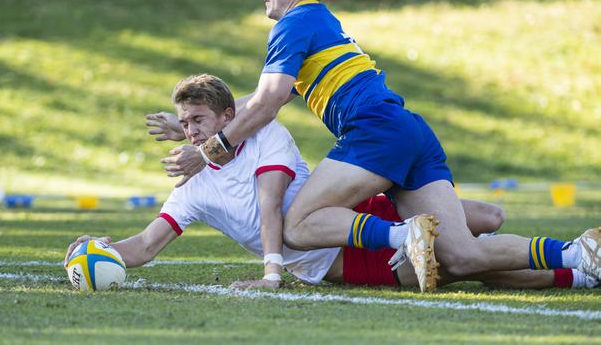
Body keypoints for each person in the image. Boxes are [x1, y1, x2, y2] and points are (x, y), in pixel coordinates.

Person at [158, 0, 601, 292]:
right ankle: (579, 255)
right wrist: (194, 128)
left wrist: (211, 151)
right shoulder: (319, 21)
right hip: (408, 132)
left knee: (299, 225)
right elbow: (259, 102)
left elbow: (267, 102)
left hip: (375, 133)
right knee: (462, 256)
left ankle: (403, 233)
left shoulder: (292, 23)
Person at [66, 74, 596, 292]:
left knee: (484, 223)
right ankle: (577, 265)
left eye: (199, 120)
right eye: (185, 125)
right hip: (342, 257)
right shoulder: (191, 191)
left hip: (359, 213)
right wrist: (102, 249)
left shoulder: (265, 136)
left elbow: (272, 209)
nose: (190, 132)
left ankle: (576, 261)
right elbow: (146, 246)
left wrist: (271, 273)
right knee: (455, 262)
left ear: (230, 116)